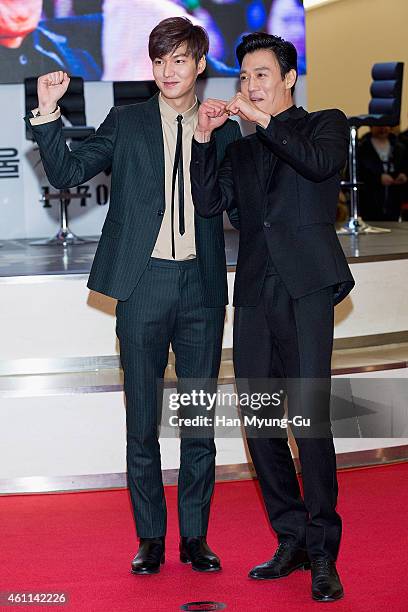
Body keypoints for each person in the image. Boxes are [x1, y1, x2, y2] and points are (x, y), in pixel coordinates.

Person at [24, 17, 241, 575]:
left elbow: (231, 206)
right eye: (159, 60)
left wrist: (212, 139)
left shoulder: (223, 128)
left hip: (202, 287)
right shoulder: (128, 120)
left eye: (179, 60)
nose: (168, 71)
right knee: (141, 422)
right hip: (142, 284)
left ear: (199, 66)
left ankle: (195, 536)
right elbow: (69, 170)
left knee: (198, 422)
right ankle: (150, 538)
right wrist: (49, 112)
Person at [190, 32, 354, 602]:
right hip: (255, 294)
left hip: (307, 287)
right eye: (244, 77)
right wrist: (204, 141)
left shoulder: (323, 124)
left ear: (287, 78)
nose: (250, 85)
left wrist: (264, 124)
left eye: (261, 74)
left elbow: (316, 165)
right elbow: (213, 205)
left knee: (309, 425)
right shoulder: (241, 142)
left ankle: (323, 552)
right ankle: (290, 539)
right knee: (259, 424)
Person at [358, 126, 408, 221]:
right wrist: (377, 179)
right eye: (379, 125)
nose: (383, 129)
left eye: (386, 125)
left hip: (394, 205)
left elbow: (404, 167)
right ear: (371, 126)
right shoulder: (362, 147)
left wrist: (403, 175)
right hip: (369, 206)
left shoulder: (399, 147)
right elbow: (356, 174)